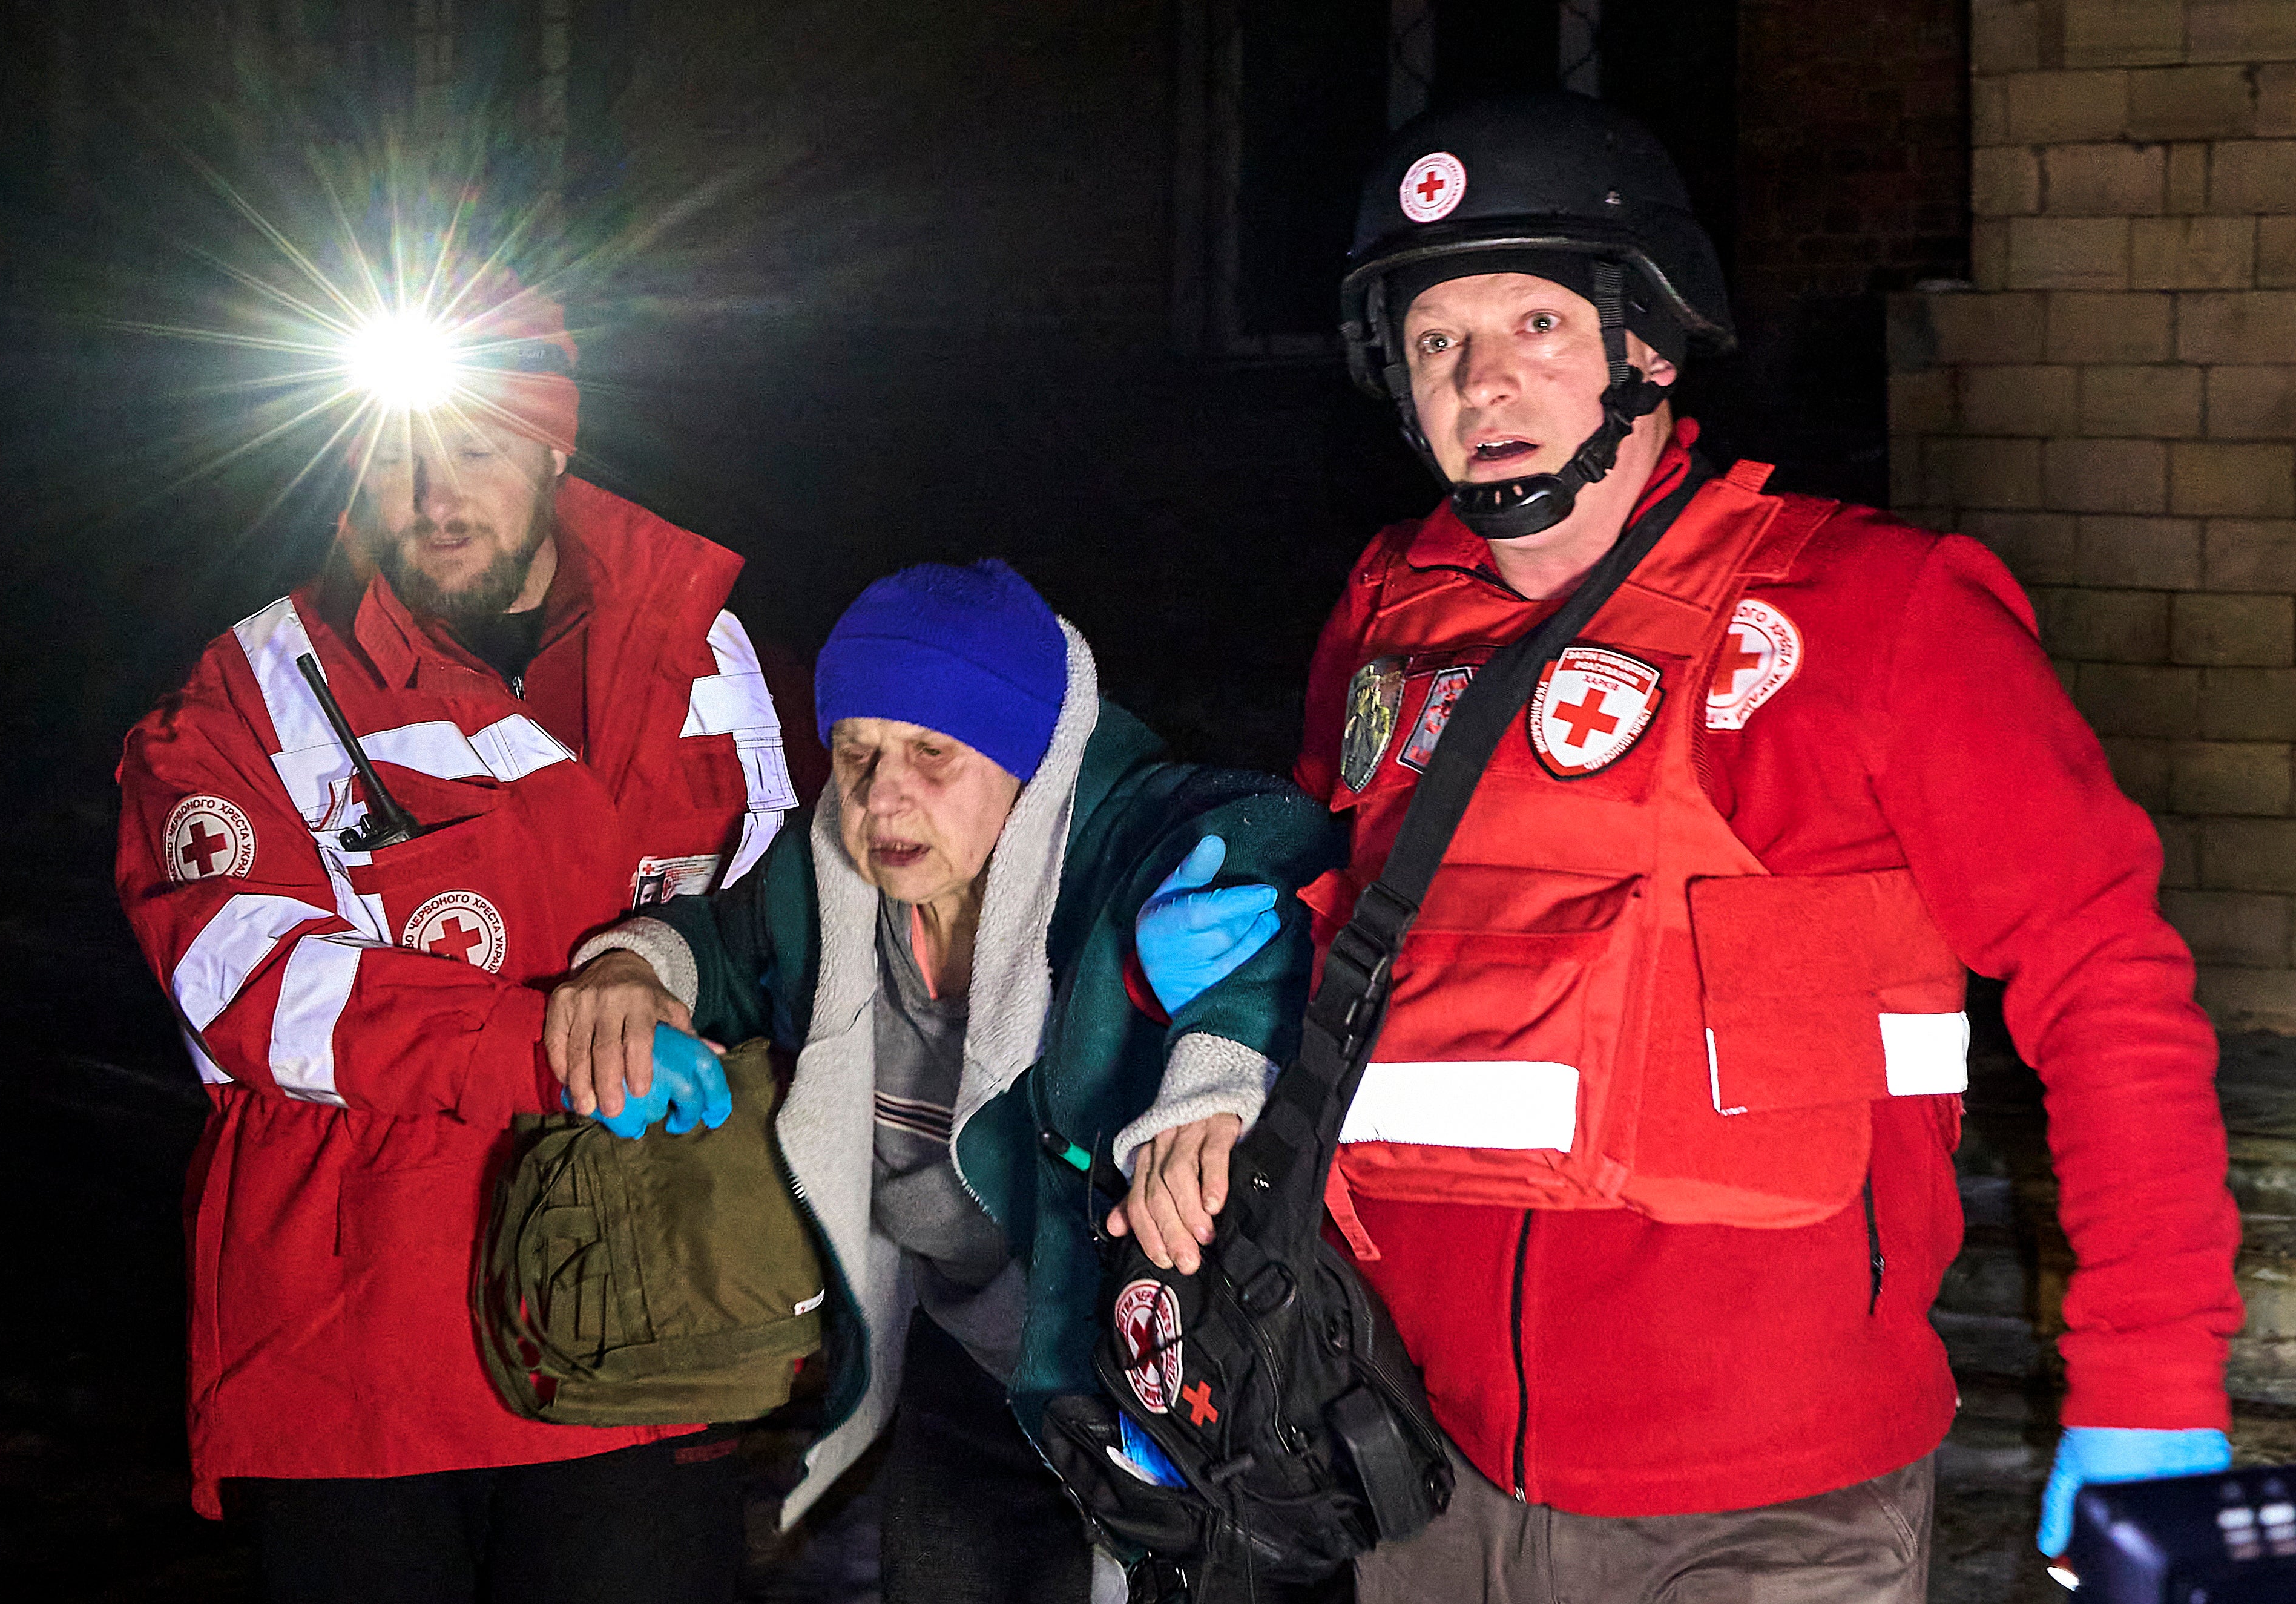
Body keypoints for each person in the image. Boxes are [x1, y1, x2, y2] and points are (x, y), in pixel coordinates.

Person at [1292, 93, 2244, 1600]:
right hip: (1425, 1471)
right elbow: (1333, 948)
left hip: (1765, 1508)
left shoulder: (1878, 614)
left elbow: (2109, 985)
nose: (1481, 380)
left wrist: (2152, 1383)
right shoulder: (1389, 619)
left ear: (1649, 345)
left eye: (1536, 321)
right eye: (1432, 339)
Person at [113, 262, 818, 1602]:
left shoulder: (709, 652)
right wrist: (560, 1045)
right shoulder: (251, 691)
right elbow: (243, 975)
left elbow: (792, 902)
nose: (436, 495)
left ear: (557, 441)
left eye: (478, 447)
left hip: (642, 1319)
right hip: (363, 1351)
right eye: (397, 456)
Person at [548, 559, 1342, 1604]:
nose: (884, 797)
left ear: (1026, 757)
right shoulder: (825, 883)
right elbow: (722, 942)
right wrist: (631, 965)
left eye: (933, 752)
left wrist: (1214, 1060)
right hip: (962, 1360)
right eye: (858, 752)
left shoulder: (1114, 846)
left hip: (1137, 1371)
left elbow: (1262, 836)